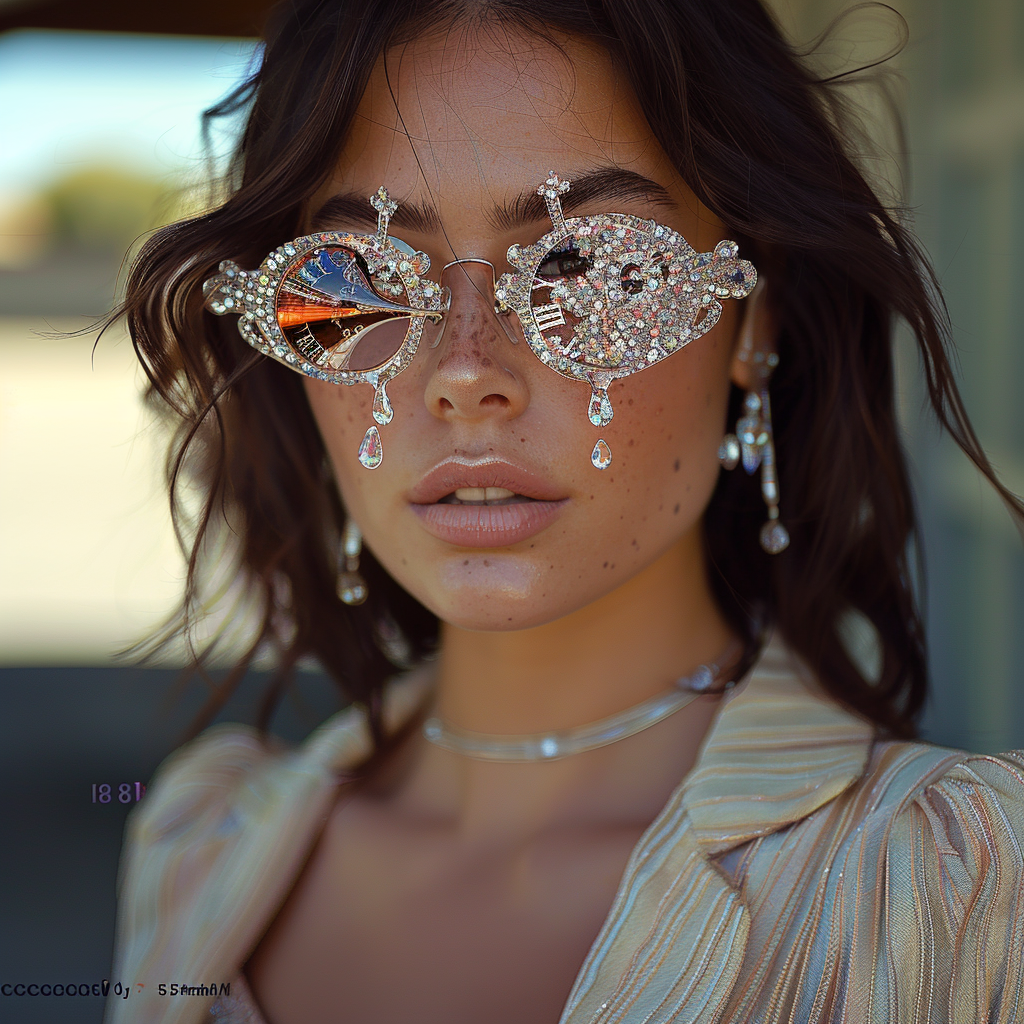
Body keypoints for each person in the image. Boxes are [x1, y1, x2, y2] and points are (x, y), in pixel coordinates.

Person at [106, 1, 1024, 1022]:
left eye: (586, 267)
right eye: (355, 279)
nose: (463, 372)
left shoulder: (963, 886)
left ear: (753, 319)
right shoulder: (197, 844)